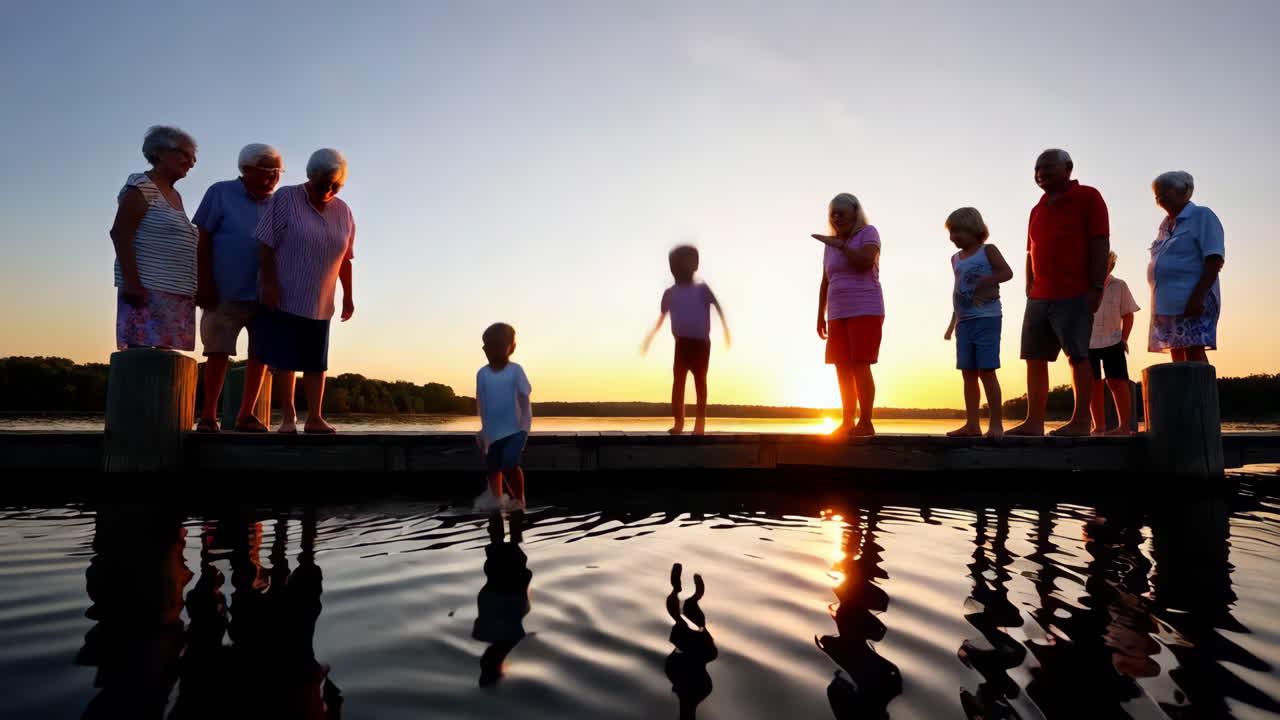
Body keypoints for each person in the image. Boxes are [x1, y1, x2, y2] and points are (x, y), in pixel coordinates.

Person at [1009, 149, 1110, 437]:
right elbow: (1030, 250)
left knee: (1077, 355)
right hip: (1040, 295)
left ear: (1068, 167)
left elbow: (1100, 242)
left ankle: (1080, 421)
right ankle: (1034, 422)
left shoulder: (1089, 197)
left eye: (1047, 167)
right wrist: (1029, 284)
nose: (1040, 173)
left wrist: (1096, 286)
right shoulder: (1037, 208)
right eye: (1037, 169)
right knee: (1034, 357)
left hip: (1076, 291)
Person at [253, 148, 355, 434]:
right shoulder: (286, 197)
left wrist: (348, 295)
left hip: (321, 298)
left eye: (336, 185)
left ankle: (315, 418)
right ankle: (288, 417)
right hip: (285, 293)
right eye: (324, 183)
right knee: (285, 359)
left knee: (316, 361)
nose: (330, 189)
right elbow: (264, 243)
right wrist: (270, 285)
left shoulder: (344, 211)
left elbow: (345, 258)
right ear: (311, 176)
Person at [192, 143, 283, 433]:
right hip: (223, 290)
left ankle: (246, 415)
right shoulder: (219, 192)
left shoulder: (280, 203)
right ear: (246, 170)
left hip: (265, 294)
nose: (273, 177)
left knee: (261, 354)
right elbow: (202, 239)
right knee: (217, 352)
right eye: (266, 171)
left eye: (277, 171)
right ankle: (208, 416)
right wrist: (203, 283)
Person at [109, 125, 199, 352]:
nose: (191, 162)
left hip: (176, 293)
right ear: (159, 152)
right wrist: (132, 282)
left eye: (193, 156)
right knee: (142, 362)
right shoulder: (142, 186)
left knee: (166, 367)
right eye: (185, 154)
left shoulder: (174, 194)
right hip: (147, 290)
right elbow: (120, 232)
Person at [813, 193, 884, 437]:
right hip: (836, 313)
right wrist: (820, 315)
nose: (836, 217)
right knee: (841, 367)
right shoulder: (830, 245)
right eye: (833, 213)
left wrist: (841, 246)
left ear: (855, 213)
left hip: (865, 308)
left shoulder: (868, 233)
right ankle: (846, 421)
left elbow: (865, 262)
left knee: (860, 365)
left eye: (841, 213)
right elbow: (825, 281)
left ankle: (866, 422)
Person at [642, 245, 730, 435]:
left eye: (680, 266)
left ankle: (699, 423)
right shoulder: (671, 293)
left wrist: (725, 330)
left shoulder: (702, 289)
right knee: (679, 382)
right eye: (673, 267)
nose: (676, 271)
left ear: (695, 266)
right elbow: (662, 317)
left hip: (701, 344)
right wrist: (651, 335)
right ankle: (679, 422)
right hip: (681, 343)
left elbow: (718, 306)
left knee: (700, 382)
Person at [942, 208, 1012, 438]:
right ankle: (972, 424)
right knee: (968, 373)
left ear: (974, 230)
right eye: (951, 232)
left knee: (987, 371)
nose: (953, 237)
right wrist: (952, 324)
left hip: (987, 318)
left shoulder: (987, 250)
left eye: (957, 231)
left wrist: (988, 279)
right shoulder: (955, 259)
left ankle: (996, 424)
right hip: (964, 322)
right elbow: (958, 291)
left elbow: (1007, 272)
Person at [1148, 171, 1225, 364]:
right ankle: (1181, 394)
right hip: (1166, 302)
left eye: (1166, 189)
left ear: (1184, 191)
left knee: (1193, 349)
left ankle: (1199, 394)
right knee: (1176, 350)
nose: (1160, 195)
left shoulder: (1201, 215)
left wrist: (1198, 296)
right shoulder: (1165, 226)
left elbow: (1214, 258)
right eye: (1157, 191)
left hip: (1192, 297)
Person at [475, 323, 532, 511]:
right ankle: (497, 499)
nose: (492, 349)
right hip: (493, 429)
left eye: (499, 345)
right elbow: (482, 403)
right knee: (493, 464)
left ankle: (518, 500)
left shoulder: (515, 371)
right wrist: (483, 431)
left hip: (517, 427)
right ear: (484, 348)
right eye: (488, 345)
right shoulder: (482, 374)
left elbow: (525, 394)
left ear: (512, 348)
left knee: (508, 462)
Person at [1087, 252, 1140, 435]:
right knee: (1093, 383)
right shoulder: (1083, 286)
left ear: (1111, 266)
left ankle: (1124, 426)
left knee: (1117, 382)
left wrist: (1124, 338)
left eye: (1105, 265)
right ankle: (1099, 425)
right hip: (1088, 342)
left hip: (1113, 340)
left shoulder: (1119, 285)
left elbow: (1128, 314)